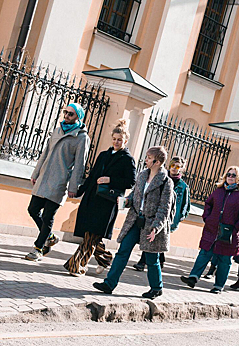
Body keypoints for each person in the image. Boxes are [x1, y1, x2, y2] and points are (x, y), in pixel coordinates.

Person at [93, 146, 174, 299]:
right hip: (135, 219)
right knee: (123, 251)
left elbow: (165, 208)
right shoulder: (142, 175)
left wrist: (156, 228)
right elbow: (135, 197)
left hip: (151, 224)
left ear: (157, 162)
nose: (146, 160)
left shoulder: (166, 182)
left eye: (149, 158)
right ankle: (109, 284)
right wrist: (126, 201)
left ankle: (157, 288)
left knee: (151, 259)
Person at [63, 119, 136, 275]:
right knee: (92, 233)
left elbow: (131, 181)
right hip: (92, 198)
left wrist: (110, 180)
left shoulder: (127, 159)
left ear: (125, 140)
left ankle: (76, 266)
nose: (116, 142)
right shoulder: (103, 155)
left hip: (107, 202)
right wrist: (79, 191)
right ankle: (105, 258)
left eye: (120, 140)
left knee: (92, 233)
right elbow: (92, 176)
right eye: (114, 139)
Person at [24, 103, 90, 261]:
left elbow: (79, 165)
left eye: (71, 114)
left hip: (60, 182)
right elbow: (45, 153)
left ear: (78, 117)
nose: (67, 116)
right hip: (44, 178)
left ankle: (38, 249)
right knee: (33, 209)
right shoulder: (57, 131)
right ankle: (51, 237)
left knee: (48, 216)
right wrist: (36, 173)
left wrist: (73, 187)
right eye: (65, 112)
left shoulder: (81, 138)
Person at [180, 166, 239, 294]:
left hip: (230, 234)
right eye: (228, 174)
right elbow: (208, 204)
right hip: (212, 229)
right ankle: (193, 277)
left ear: (238, 178)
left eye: (233, 175)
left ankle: (218, 286)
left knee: (224, 260)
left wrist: (235, 228)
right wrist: (207, 218)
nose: (230, 177)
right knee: (204, 253)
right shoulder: (219, 190)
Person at [133, 156, 191, 271]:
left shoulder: (183, 186)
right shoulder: (161, 179)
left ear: (181, 169)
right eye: (173, 165)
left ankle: (155, 260)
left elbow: (186, 205)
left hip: (170, 218)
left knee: (157, 238)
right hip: (156, 214)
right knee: (151, 236)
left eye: (178, 166)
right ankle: (145, 261)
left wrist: (179, 218)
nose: (174, 168)